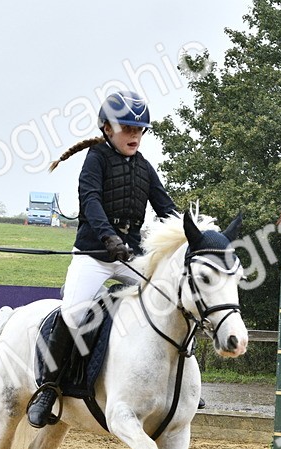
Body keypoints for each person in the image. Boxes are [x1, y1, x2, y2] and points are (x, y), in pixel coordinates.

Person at [25, 89, 177, 428]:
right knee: (74, 313)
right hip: (94, 254)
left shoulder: (145, 168)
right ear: (107, 128)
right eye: (127, 129)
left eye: (139, 130)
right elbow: (91, 201)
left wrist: (191, 235)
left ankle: (175, 382)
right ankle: (49, 388)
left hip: (129, 258)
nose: (134, 135)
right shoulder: (95, 158)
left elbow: (166, 208)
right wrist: (108, 237)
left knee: (170, 299)